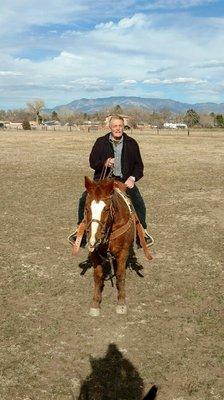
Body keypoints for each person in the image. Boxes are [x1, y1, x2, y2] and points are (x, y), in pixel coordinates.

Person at [68, 115, 154, 247]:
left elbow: (139, 167)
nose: (118, 128)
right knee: (83, 199)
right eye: (115, 126)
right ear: (110, 127)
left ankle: (142, 232)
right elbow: (92, 162)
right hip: (102, 181)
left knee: (138, 201)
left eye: (120, 126)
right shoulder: (100, 142)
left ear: (124, 127)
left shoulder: (131, 143)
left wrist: (132, 178)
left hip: (124, 181)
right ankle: (81, 231)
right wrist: (105, 163)